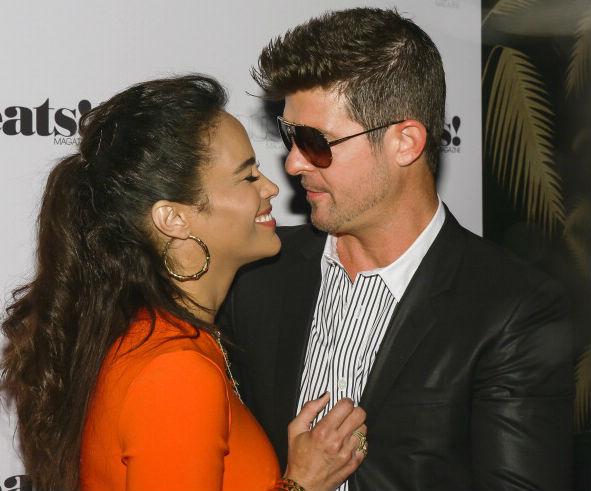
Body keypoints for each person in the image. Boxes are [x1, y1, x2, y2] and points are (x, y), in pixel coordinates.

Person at [219, 8, 573, 491]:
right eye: (290, 136)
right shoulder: (258, 273)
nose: (294, 162)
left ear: (405, 142)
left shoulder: (511, 309)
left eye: (316, 142)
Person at [0, 75, 367, 491]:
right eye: (247, 177)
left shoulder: (154, 335)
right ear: (173, 218)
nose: (270, 188)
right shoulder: (175, 370)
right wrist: (303, 482)